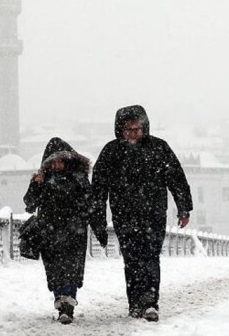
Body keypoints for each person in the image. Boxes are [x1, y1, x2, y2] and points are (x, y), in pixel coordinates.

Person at [90, 105, 193, 322]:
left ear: (144, 128)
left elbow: (176, 178)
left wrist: (184, 208)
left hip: (153, 214)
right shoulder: (111, 152)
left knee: (150, 257)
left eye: (137, 129)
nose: (134, 134)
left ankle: (149, 302)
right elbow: (98, 188)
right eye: (129, 130)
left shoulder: (159, 148)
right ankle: (135, 303)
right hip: (124, 215)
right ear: (121, 130)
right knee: (132, 259)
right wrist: (97, 219)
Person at [23, 137, 105, 325]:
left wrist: (99, 228)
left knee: (71, 269)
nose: (58, 165)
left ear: (69, 160)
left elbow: (91, 206)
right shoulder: (43, 180)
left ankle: (67, 305)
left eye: (61, 160)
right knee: (54, 270)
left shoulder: (79, 179)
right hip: (49, 233)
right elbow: (29, 204)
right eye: (54, 161)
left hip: (74, 233)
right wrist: (36, 184)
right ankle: (60, 301)